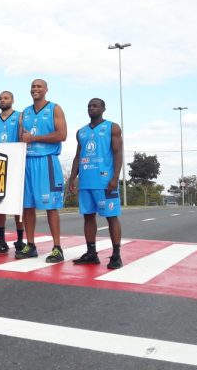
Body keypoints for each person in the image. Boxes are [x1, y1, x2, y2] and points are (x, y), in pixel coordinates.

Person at [16, 79, 67, 263]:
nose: (35, 89)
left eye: (39, 86)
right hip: (28, 161)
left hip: (46, 160)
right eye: (33, 86)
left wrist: (34, 138)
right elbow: (21, 138)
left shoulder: (55, 108)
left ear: (46, 89)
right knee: (27, 206)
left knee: (51, 206)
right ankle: (30, 245)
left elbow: (62, 135)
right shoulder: (25, 112)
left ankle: (57, 248)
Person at [69, 98, 124, 269]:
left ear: (103, 109)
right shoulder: (81, 132)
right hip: (86, 182)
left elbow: (118, 153)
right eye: (89, 106)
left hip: (105, 182)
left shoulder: (112, 127)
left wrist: (115, 177)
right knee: (88, 217)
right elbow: (78, 156)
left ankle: (116, 255)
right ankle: (91, 253)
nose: (91, 108)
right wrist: (72, 178)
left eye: (95, 106)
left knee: (111, 217)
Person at [0, 90, 25, 255]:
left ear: (12, 100)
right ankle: (1, 240)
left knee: (17, 204)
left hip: (15, 164)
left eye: (6, 98)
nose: (2, 100)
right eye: (0, 98)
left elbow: (23, 138)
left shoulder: (20, 117)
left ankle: (20, 240)